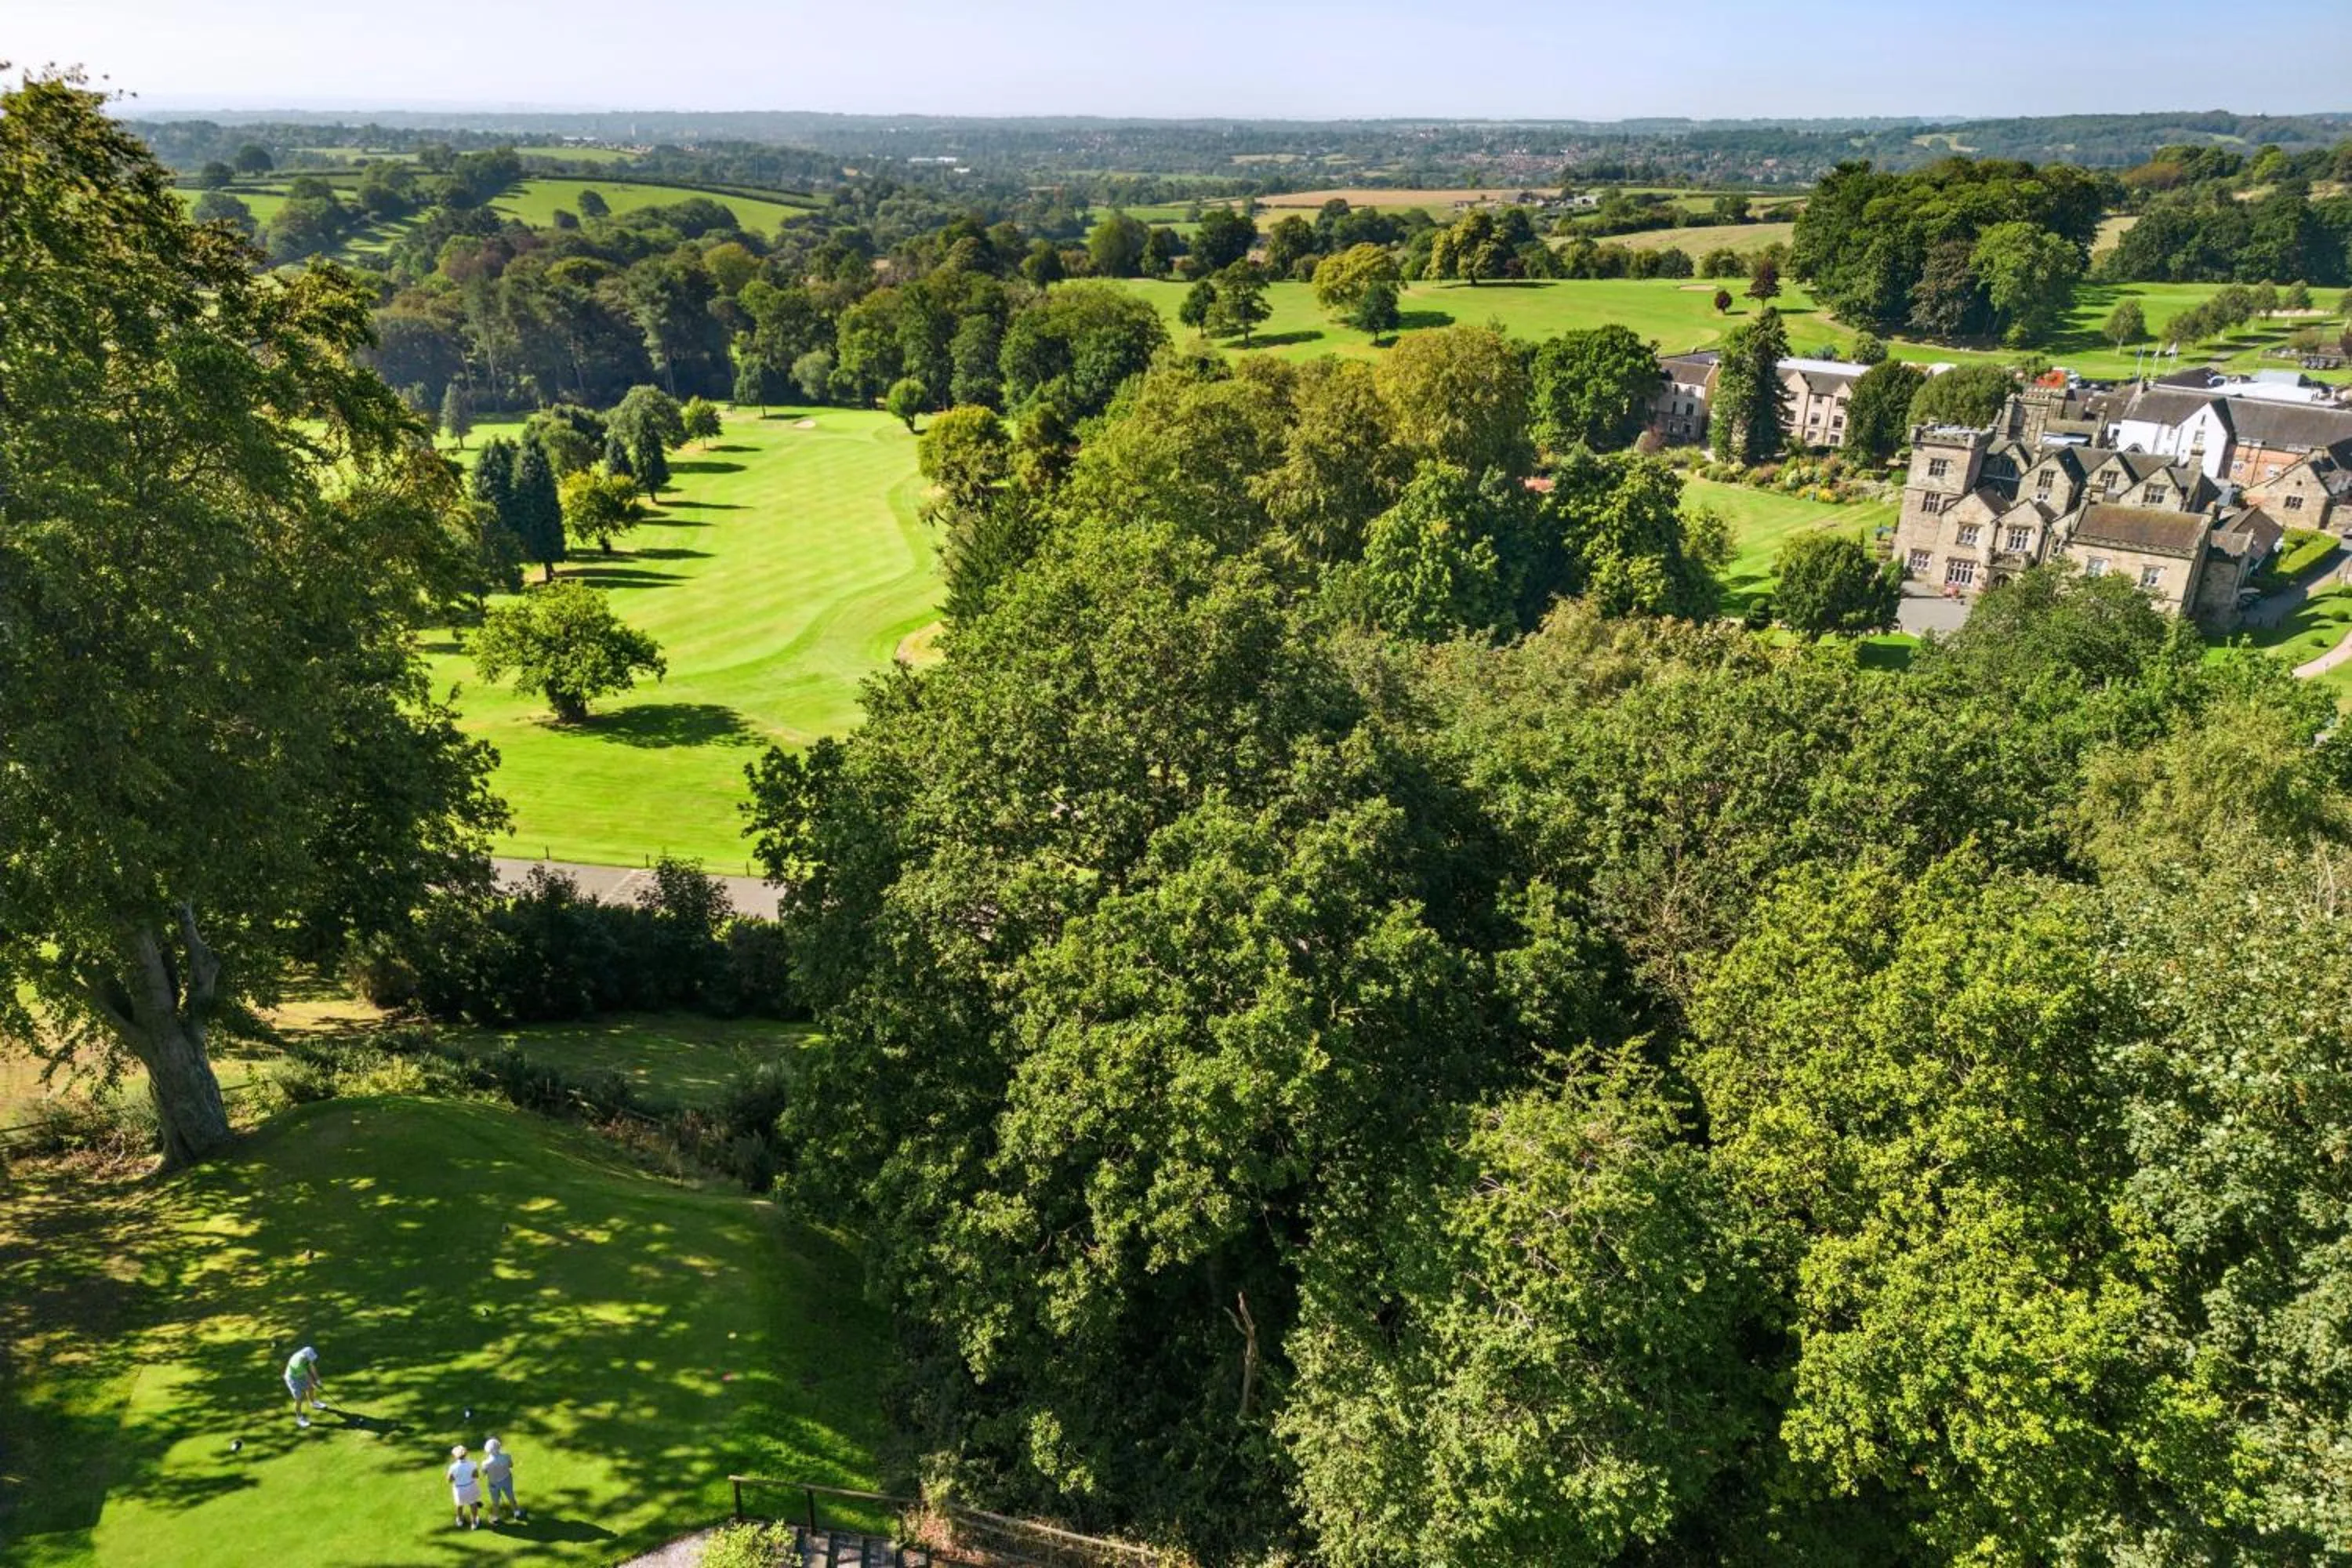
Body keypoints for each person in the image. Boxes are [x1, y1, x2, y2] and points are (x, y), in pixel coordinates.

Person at [481, 1436, 523, 1523]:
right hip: (506, 1480)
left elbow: (484, 1473)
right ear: (499, 1447)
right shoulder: (506, 1457)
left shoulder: (486, 1463)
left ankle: (496, 1517)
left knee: (495, 1501)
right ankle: (517, 1512)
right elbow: (511, 1465)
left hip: (494, 1483)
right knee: (511, 1497)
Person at [283, 1345, 325, 1428]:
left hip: (301, 1374)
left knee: (310, 1388)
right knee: (299, 1398)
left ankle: (313, 1403)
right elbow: (308, 1377)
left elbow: (312, 1368)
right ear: (305, 1356)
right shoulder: (298, 1362)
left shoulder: (305, 1357)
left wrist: (318, 1380)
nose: (311, 1360)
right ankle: (300, 1418)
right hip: (292, 1378)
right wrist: (316, 1384)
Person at [446, 1445, 484, 1530]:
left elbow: (449, 1480)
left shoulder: (453, 1467)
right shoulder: (472, 1464)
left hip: (459, 1489)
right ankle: (474, 1523)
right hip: (470, 1486)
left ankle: (460, 1520)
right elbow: (476, 1475)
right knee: (473, 1504)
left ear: (455, 1456)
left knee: (459, 1505)